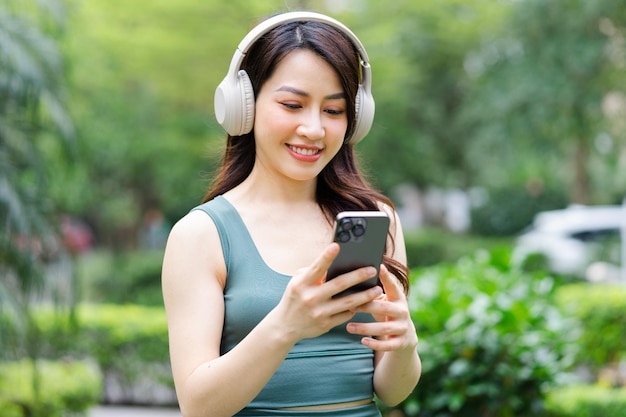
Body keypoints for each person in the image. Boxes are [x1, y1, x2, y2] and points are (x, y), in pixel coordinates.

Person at [161, 11, 421, 417]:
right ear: (242, 106)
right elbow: (198, 406)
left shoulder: (376, 219)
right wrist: (287, 324)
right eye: (292, 104)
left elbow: (390, 391)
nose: (314, 129)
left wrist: (405, 345)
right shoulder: (202, 234)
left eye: (333, 111)